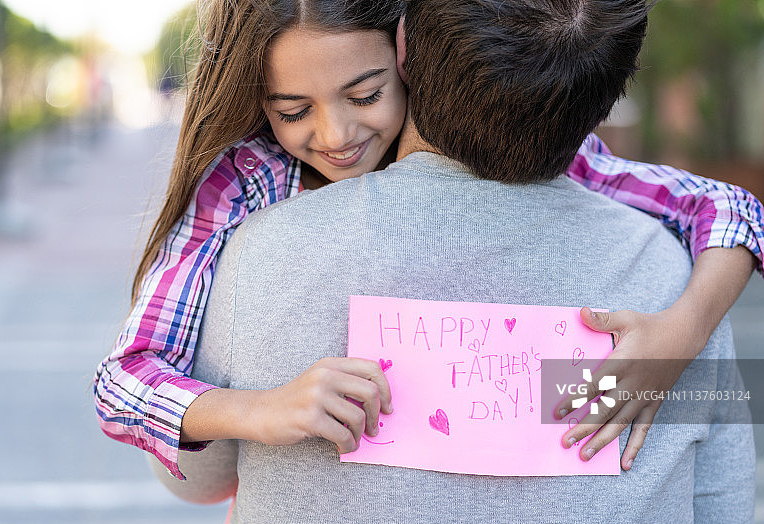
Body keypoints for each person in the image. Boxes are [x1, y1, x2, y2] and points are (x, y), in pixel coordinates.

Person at [92, 0, 763, 482]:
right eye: (293, 110)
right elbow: (123, 379)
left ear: (406, 57)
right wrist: (261, 411)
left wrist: (683, 332)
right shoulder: (244, 181)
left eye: (366, 93)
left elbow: (728, 207)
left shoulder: (488, 131)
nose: (335, 135)